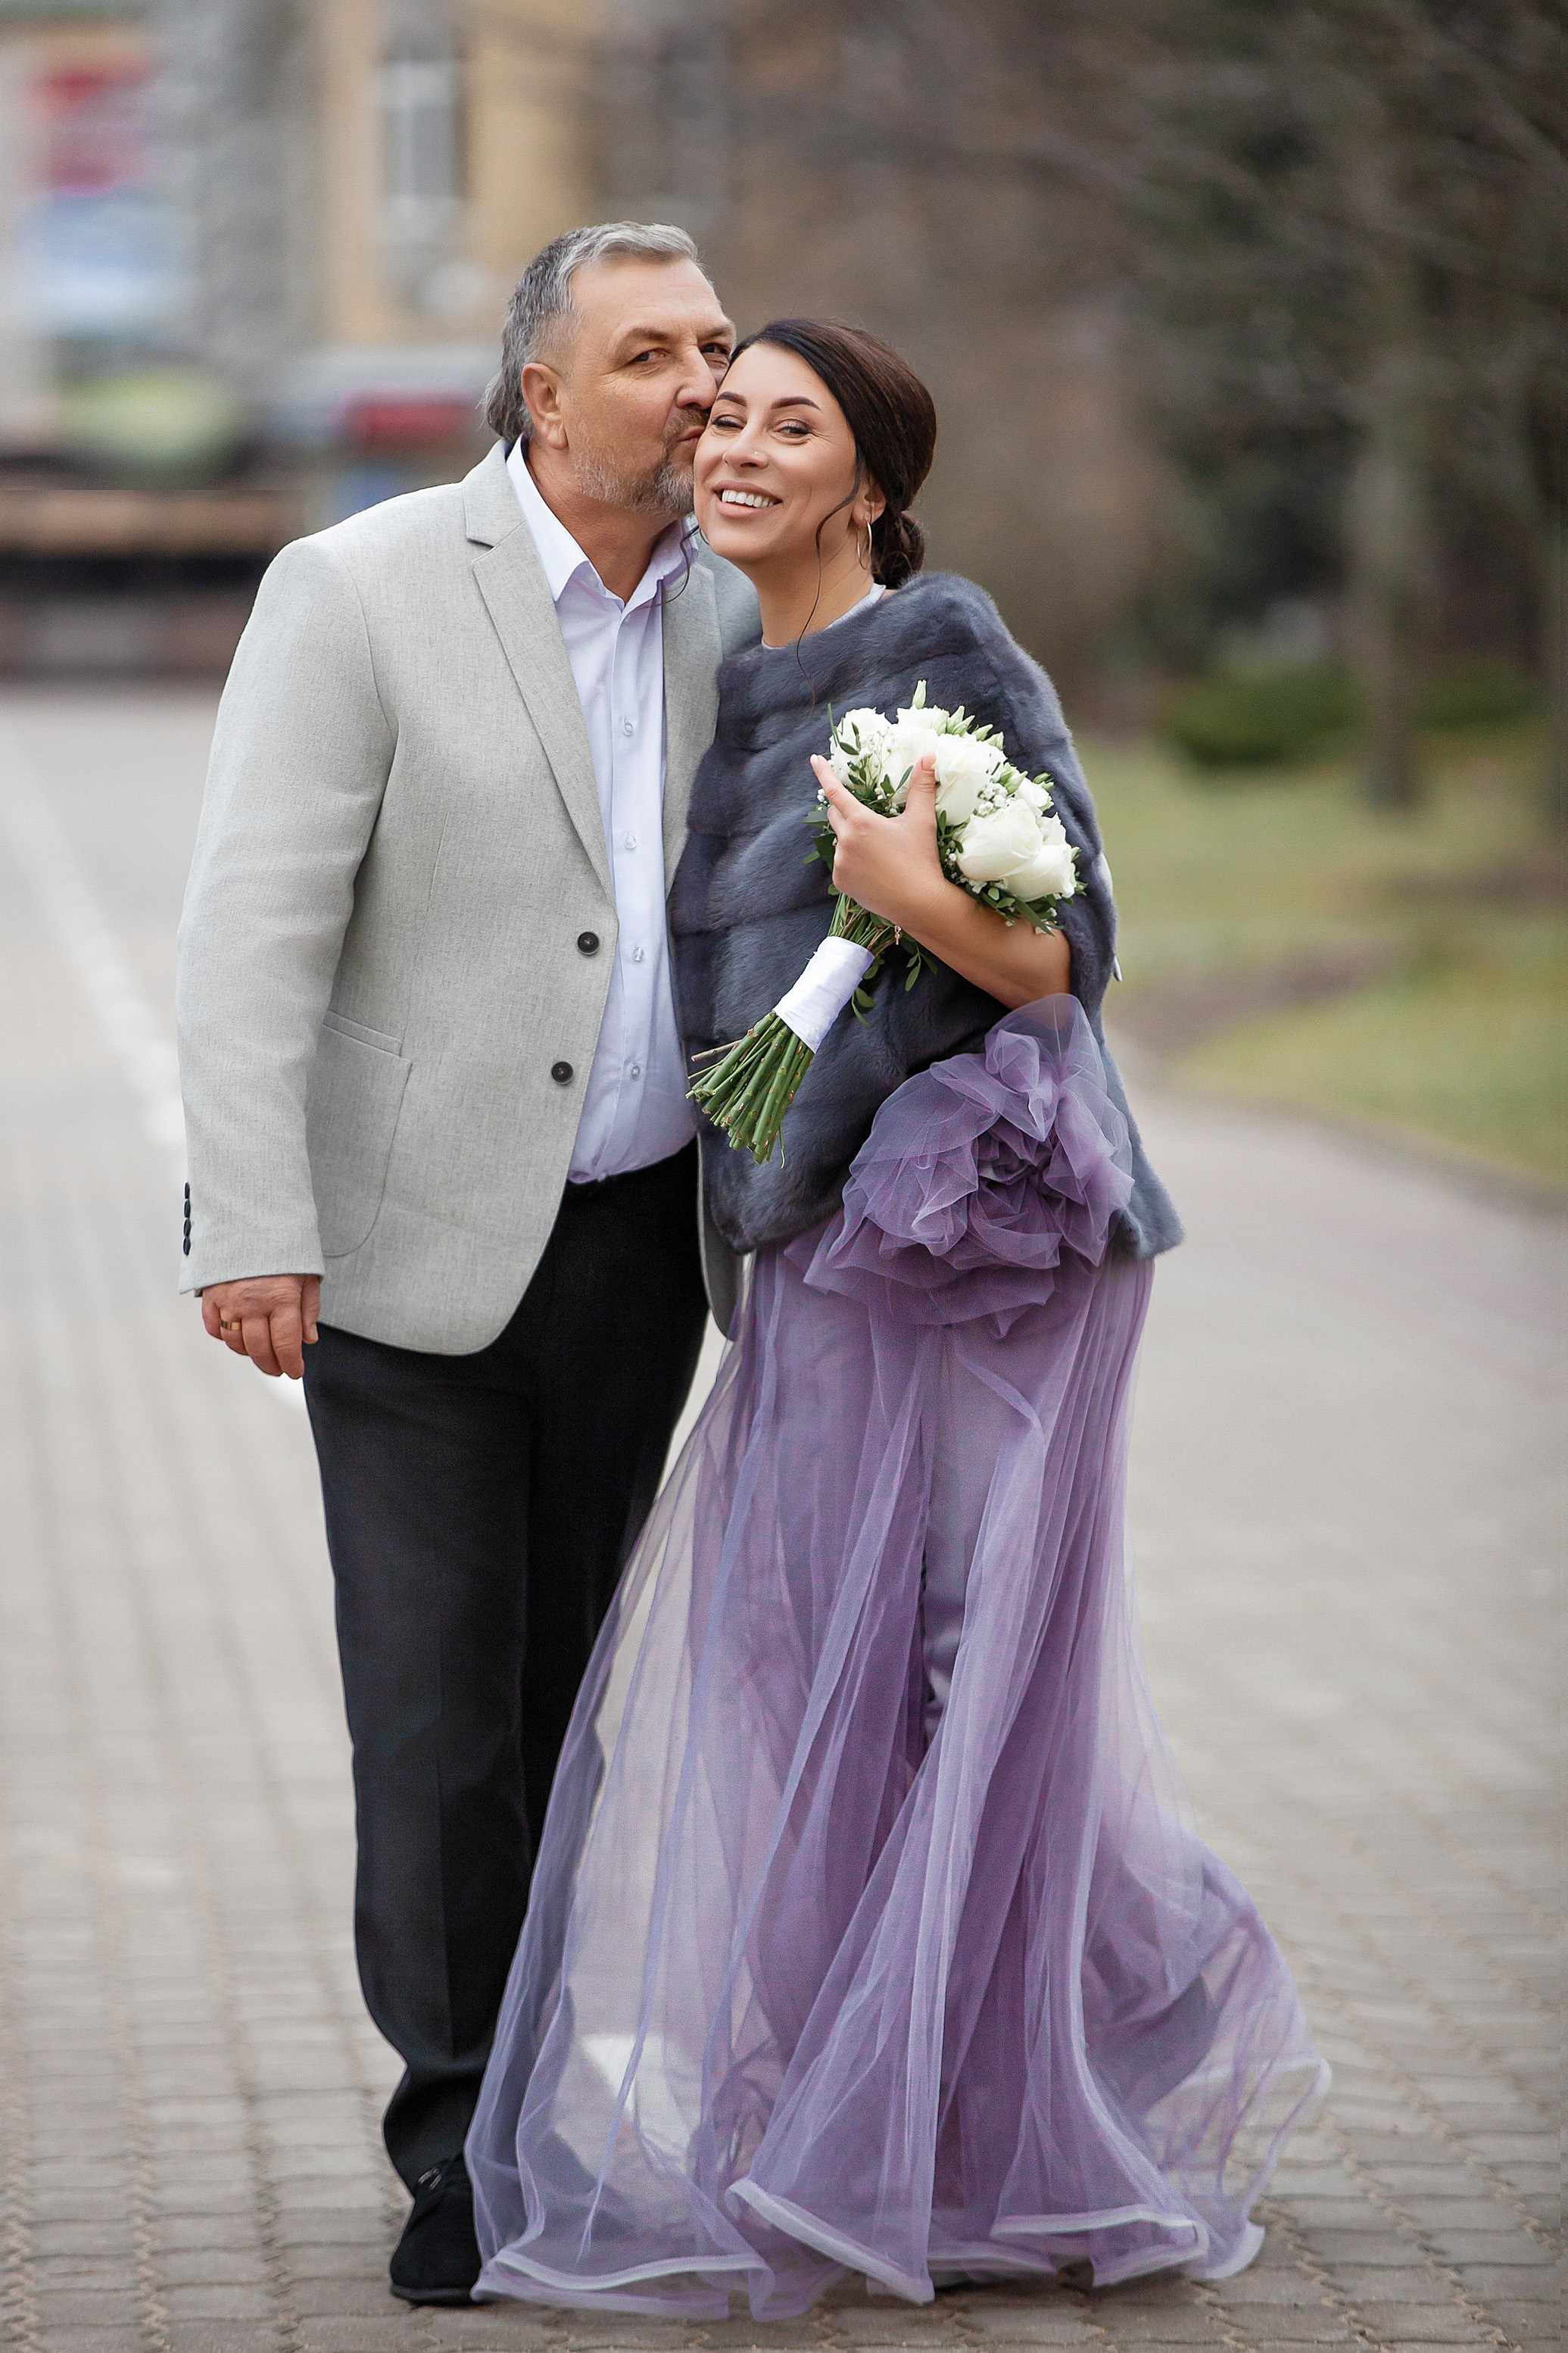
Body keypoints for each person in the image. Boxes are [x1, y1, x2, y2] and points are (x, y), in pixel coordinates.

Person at [467, 322, 1329, 2318]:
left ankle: (1007, 2107)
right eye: (729, 421)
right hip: (805, 1262)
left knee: (951, 1665)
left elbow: (1066, 955)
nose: (744, 449)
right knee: (801, 1666)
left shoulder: (949, 650)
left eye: (797, 427)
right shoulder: (738, 683)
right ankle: (1025, 2029)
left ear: (867, 480)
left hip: (980, 1246)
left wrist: (906, 887)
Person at [174, 222, 759, 2306]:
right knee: (436, 1715)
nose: (703, 381)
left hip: (638, 1250)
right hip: (408, 1256)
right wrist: (250, 1218)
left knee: (564, 1699)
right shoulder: (359, 587)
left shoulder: (745, 612)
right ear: (545, 396)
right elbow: (254, 925)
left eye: (716, 343)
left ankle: (542, 2098)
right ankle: (458, 2138)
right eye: (653, 353)